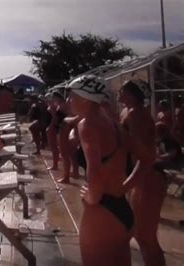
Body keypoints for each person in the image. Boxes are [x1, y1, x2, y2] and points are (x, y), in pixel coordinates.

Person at [68, 75, 154, 266]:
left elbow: (94, 171)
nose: (69, 100)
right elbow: (147, 157)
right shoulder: (112, 122)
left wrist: (92, 196)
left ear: (84, 98)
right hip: (123, 212)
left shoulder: (87, 125)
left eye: (71, 95)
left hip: (102, 215)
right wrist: (125, 187)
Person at [119, 79, 166, 266]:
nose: (119, 93)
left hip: (148, 176)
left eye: (122, 90)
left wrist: (127, 184)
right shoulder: (129, 112)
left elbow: (145, 155)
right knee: (139, 235)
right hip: (143, 175)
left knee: (146, 237)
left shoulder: (136, 114)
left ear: (132, 94)